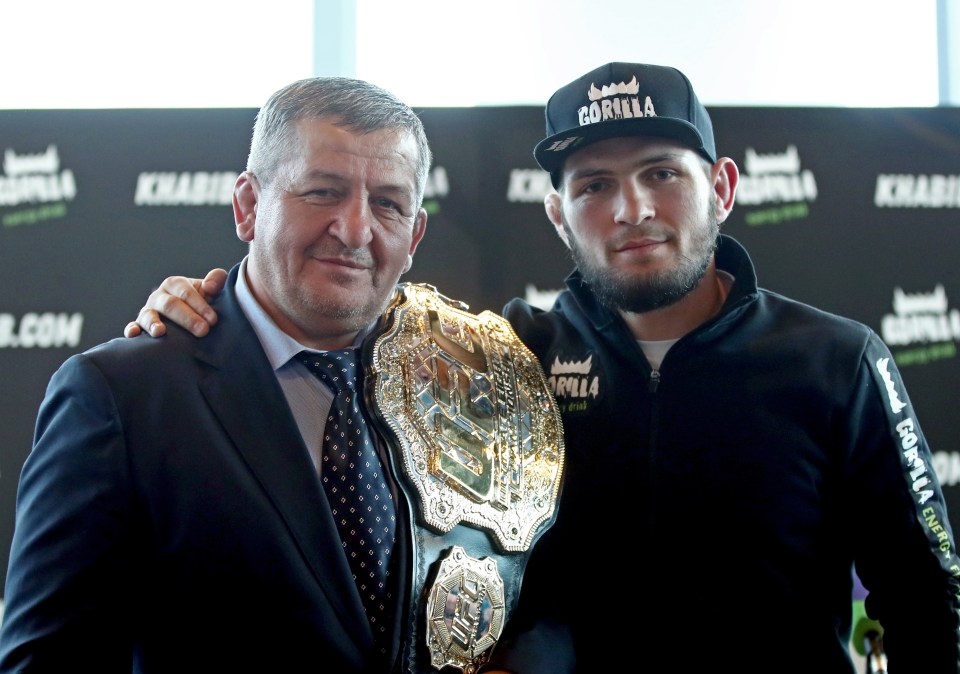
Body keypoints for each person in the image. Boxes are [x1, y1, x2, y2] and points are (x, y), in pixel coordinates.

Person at [122, 62, 960, 672]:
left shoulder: (836, 360)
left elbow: (930, 605)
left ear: (724, 186)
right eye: (594, 185)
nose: (632, 209)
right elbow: (328, 306)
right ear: (558, 214)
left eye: (662, 174)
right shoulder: (501, 352)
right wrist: (203, 304)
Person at [0, 75, 565, 673]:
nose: (355, 230)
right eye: (323, 192)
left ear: (415, 233)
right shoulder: (122, 396)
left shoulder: (480, 385)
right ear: (248, 206)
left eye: (388, 203)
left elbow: (526, 611)